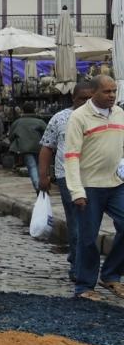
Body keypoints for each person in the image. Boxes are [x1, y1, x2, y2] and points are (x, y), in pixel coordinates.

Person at [61, 76, 124, 302]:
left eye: (114, 91)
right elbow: (71, 156)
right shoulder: (79, 118)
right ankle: (85, 286)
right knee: (88, 238)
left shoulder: (119, 114)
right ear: (94, 92)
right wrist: (76, 190)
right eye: (107, 91)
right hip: (89, 186)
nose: (112, 95)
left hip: (116, 184)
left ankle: (111, 274)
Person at [39, 81, 95, 284]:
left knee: (91, 223)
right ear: (73, 98)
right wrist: (43, 175)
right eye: (82, 98)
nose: (87, 102)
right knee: (76, 222)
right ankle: (77, 266)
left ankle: (81, 259)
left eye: (90, 98)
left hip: (96, 178)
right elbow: (47, 147)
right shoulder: (60, 118)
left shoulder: (100, 117)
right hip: (67, 177)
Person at [9, 113, 48, 191]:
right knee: (39, 166)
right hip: (39, 147)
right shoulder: (40, 122)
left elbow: (11, 136)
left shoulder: (17, 122)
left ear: (23, 111)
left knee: (32, 166)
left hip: (25, 148)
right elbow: (47, 133)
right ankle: (41, 185)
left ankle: (37, 187)